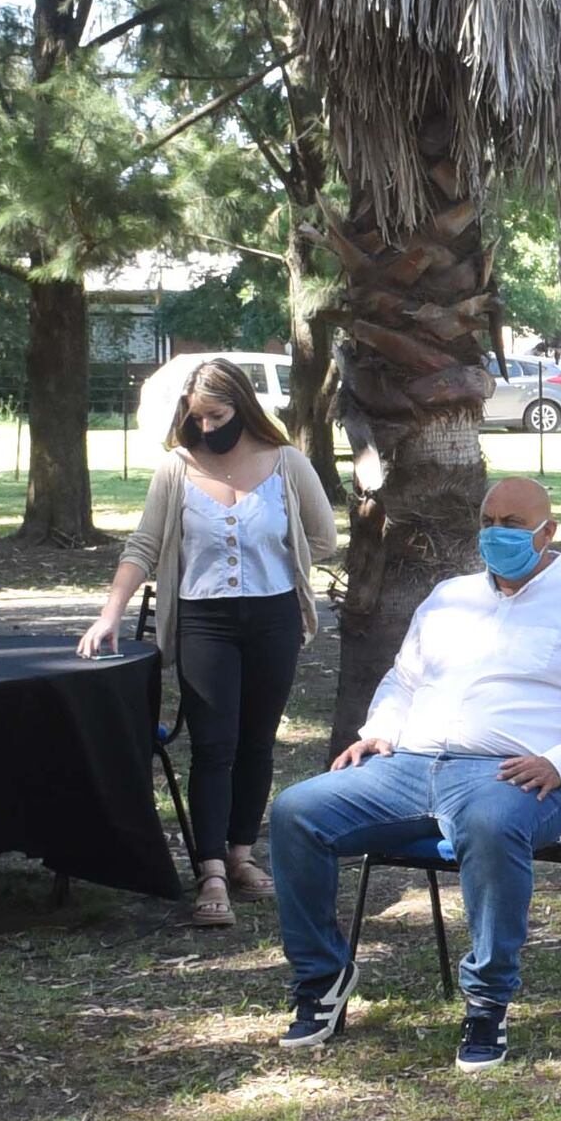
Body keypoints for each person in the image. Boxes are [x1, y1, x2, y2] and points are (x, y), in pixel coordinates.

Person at [264, 476, 561, 1072]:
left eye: (512, 525)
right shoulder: (448, 597)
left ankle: (488, 1003)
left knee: (490, 823)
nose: (496, 534)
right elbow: (404, 680)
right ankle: (322, 977)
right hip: (411, 764)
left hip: (515, 776)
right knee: (296, 812)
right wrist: (379, 730)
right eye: (489, 521)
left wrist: (560, 763)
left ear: (548, 532)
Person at [78, 356, 343, 924]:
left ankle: (242, 854)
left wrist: (279, 557)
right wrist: (110, 614)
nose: (205, 428)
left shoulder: (286, 463)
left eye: (216, 416)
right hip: (204, 620)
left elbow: (323, 538)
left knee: (257, 741)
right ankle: (211, 871)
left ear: (242, 408)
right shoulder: (175, 469)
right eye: (196, 419)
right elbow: (143, 547)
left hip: (274, 617)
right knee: (213, 744)